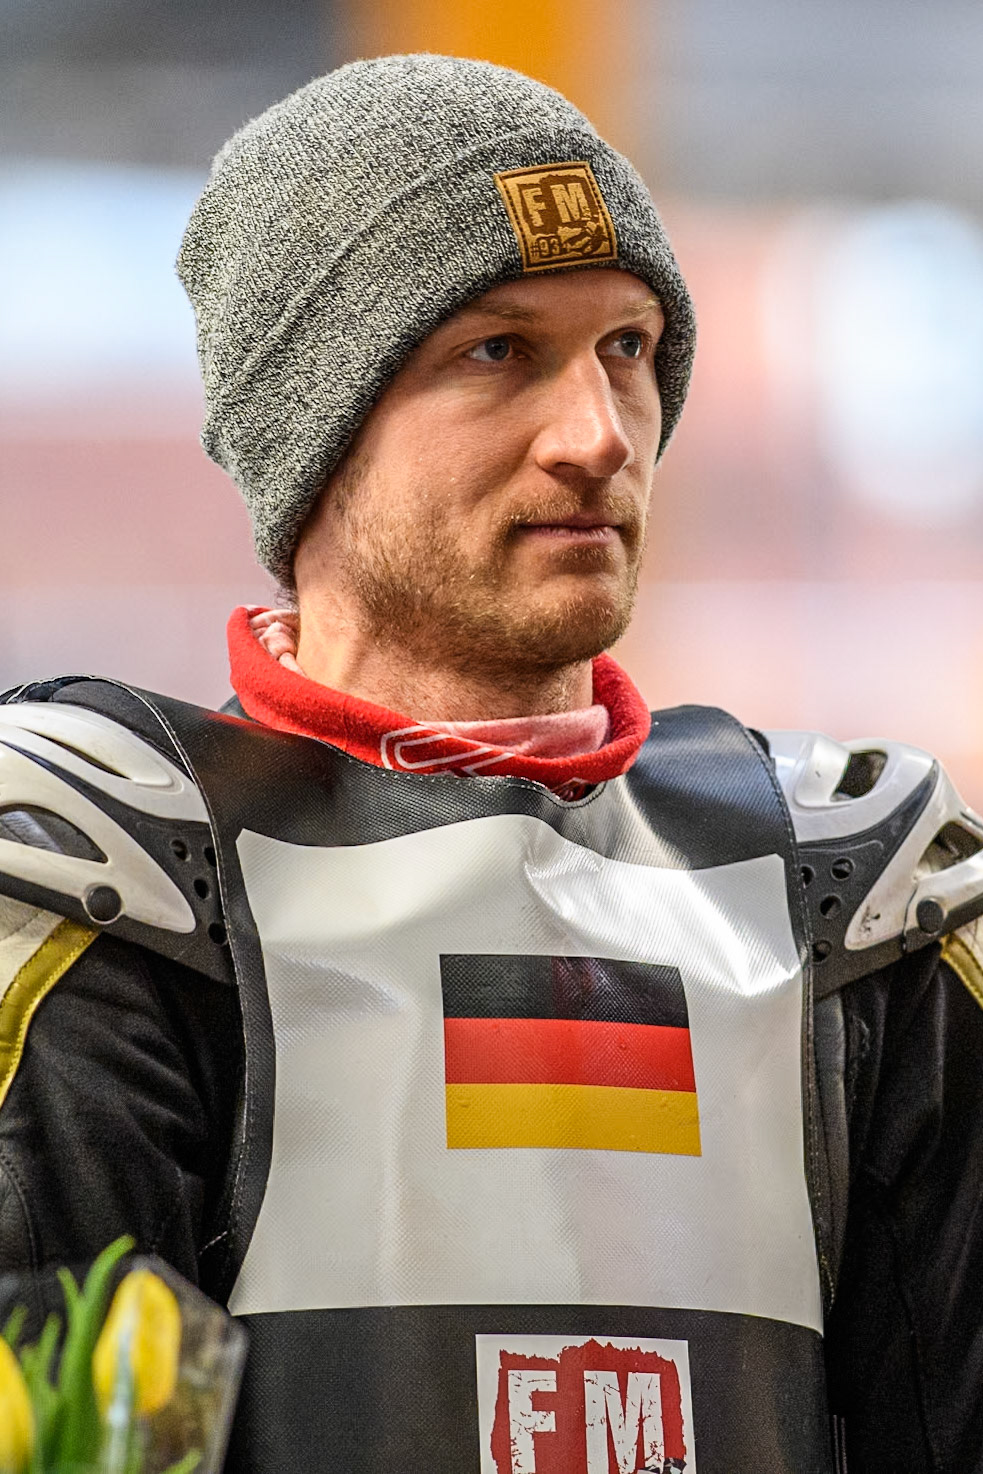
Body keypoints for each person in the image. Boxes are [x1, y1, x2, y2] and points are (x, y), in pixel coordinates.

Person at [0, 54, 981, 1474]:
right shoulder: (108, 878)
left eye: (628, 350)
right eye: (496, 352)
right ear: (315, 434)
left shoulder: (867, 902)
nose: (596, 436)